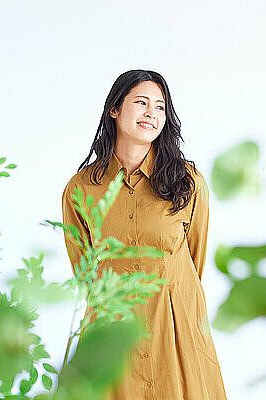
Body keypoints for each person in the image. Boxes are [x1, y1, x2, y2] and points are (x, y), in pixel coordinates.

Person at [61, 69, 227, 400]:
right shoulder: (80, 189)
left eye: (160, 107)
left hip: (177, 331)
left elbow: (194, 262)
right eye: (141, 102)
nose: (151, 113)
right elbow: (85, 272)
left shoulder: (187, 183)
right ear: (115, 109)